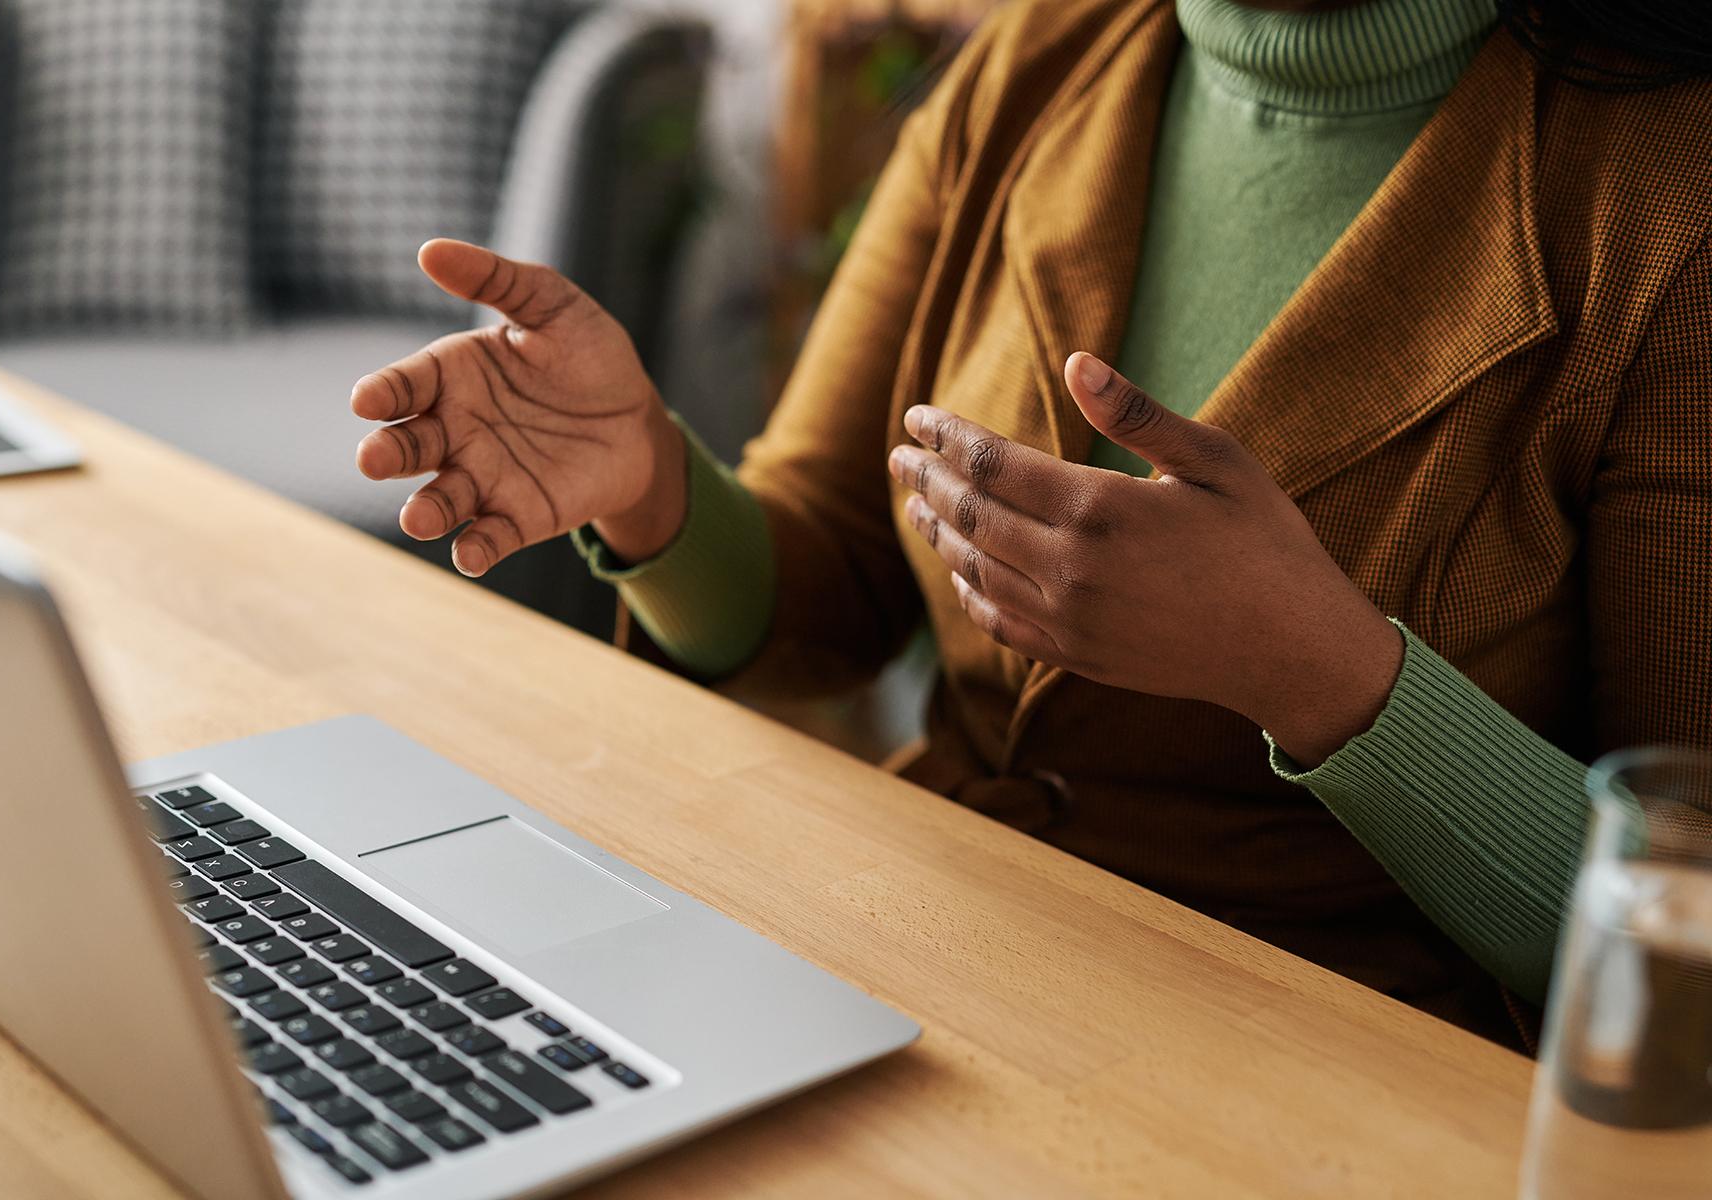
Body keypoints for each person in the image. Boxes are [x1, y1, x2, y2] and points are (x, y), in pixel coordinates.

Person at [351, 0, 1712, 1047]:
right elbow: (829, 569)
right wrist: (645, 480)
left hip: (1331, 1067)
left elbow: (1684, 942)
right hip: (919, 974)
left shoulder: (1668, 200)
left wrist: (1320, 675)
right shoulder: (1044, 59)